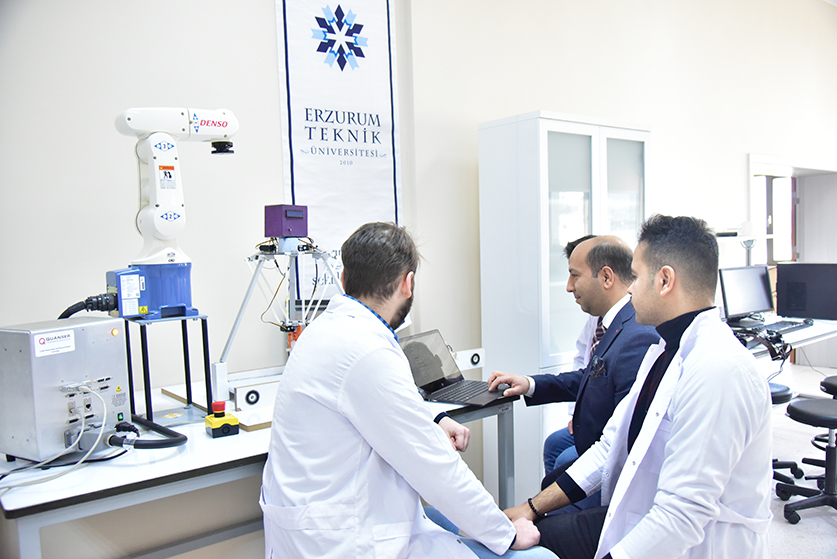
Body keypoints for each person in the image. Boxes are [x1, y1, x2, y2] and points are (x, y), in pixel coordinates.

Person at [260, 222, 557, 559]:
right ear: (408, 283)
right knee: (540, 557)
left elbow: (383, 402)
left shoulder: (324, 332)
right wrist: (506, 533)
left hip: (317, 526)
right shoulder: (368, 351)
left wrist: (437, 418)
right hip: (346, 542)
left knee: (444, 520)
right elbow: (436, 469)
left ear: (343, 279)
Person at [505, 215, 774, 559]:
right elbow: (608, 448)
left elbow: (681, 517)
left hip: (698, 545)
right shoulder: (664, 351)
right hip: (639, 513)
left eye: (636, 276)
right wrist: (531, 508)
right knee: (533, 535)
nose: (629, 288)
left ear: (664, 281)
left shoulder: (718, 370)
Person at [488, 235, 659, 490]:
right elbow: (590, 376)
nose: (569, 287)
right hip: (596, 438)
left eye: (574, 275)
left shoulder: (636, 335)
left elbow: (620, 442)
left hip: (612, 463)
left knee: (553, 483)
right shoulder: (616, 322)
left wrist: (537, 505)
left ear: (606, 277)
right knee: (554, 454)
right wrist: (530, 384)